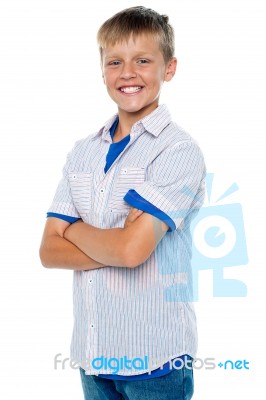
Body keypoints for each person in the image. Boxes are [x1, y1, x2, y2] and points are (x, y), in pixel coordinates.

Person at [39, 6, 206, 400]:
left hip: (155, 362)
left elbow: (132, 251)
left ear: (169, 68)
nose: (127, 73)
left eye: (143, 60)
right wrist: (114, 239)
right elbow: (48, 250)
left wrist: (75, 230)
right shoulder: (83, 152)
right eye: (115, 62)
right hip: (93, 360)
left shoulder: (178, 150)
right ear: (102, 71)